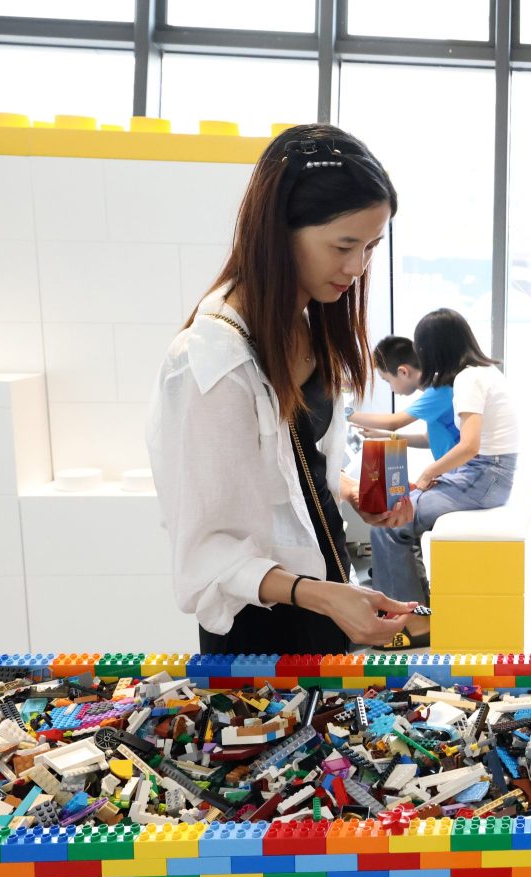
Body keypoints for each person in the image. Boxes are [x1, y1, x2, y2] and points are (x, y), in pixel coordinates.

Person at [147, 123, 416, 655]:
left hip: (325, 598)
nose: (356, 268)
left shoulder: (307, 325)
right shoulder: (211, 361)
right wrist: (316, 596)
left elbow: (289, 471)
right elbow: (205, 554)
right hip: (262, 629)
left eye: (370, 247)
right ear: (278, 231)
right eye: (344, 246)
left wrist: (349, 491)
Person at [367, 309, 519, 643]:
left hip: (482, 477)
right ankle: (419, 609)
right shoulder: (485, 372)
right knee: (404, 515)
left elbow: (469, 446)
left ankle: (414, 624)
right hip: (488, 475)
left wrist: (427, 474)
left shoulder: (467, 379)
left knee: (392, 521)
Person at [349, 335, 460, 460]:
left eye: (388, 381)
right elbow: (428, 440)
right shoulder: (438, 389)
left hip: (461, 474)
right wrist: (384, 435)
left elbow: (393, 422)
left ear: (403, 372)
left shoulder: (438, 393)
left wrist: (346, 413)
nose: (391, 389)